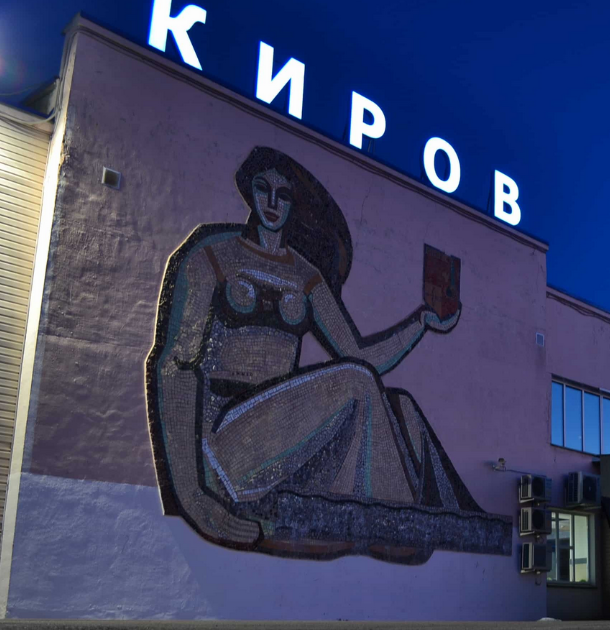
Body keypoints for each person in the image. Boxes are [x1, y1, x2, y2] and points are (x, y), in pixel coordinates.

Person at [145, 146, 509, 563]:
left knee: (401, 406)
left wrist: (421, 323)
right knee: (355, 381)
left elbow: (358, 353)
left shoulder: (305, 274)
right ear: (248, 191)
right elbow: (176, 365)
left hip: (282, 438)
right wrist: (192, 495)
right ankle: (397, 523)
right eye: (263, 189)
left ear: (293, 205)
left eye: (283, 195)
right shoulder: (213, 254)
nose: (272, 202)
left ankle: (399, 519)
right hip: (226, 443)